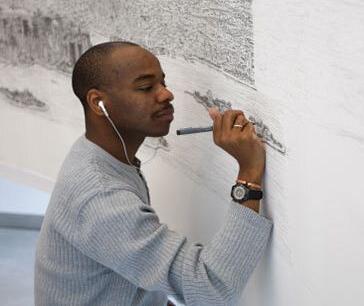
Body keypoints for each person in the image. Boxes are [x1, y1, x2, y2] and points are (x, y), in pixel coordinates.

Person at [34, 41, 272, 305]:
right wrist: (249, 173)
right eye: (146, 87)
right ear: (98, 102)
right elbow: (210, 289)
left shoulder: (95, 153)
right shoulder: (101, 197)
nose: (167, 95)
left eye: (163, 83)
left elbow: (136, 268)